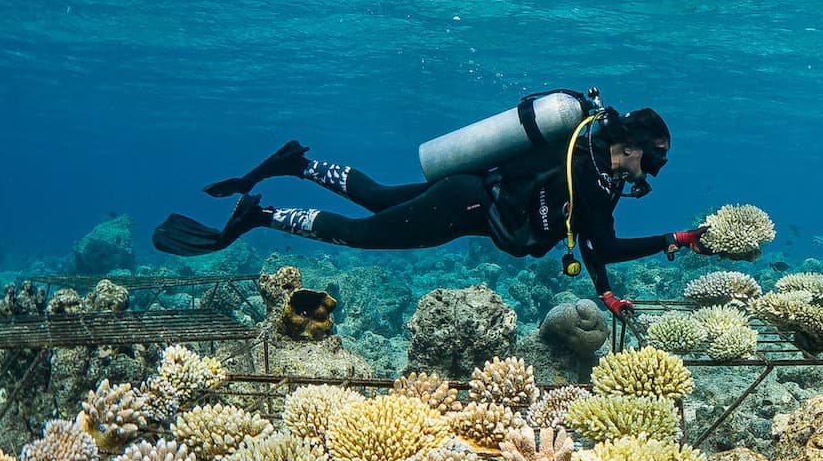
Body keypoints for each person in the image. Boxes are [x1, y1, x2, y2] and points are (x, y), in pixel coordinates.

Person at [151, 106, 701, 318]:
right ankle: (260, 216)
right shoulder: (595, 177)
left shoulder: (586, 156)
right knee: (360, 233)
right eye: (651, 162)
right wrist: (674, 239)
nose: (649, 175)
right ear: (632, 147)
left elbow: (589, 238)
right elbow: (605, 243)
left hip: (464, 192)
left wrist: (605, 292)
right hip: (462, 207)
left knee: (378, 196)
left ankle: (298, 164)